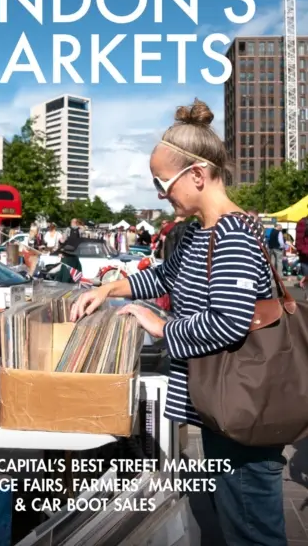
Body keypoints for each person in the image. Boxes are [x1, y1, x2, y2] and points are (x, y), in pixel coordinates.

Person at [71, 99, 286, 546]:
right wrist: (109, 288)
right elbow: (164, 276)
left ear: (196, 175)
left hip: (242, 411)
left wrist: (160, 327)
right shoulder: (196, 234)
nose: (158, 193)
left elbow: (229, 322)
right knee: (231, 522)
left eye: (161, 182)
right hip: (220, 402)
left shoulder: (233, 234)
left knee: (251, 531)